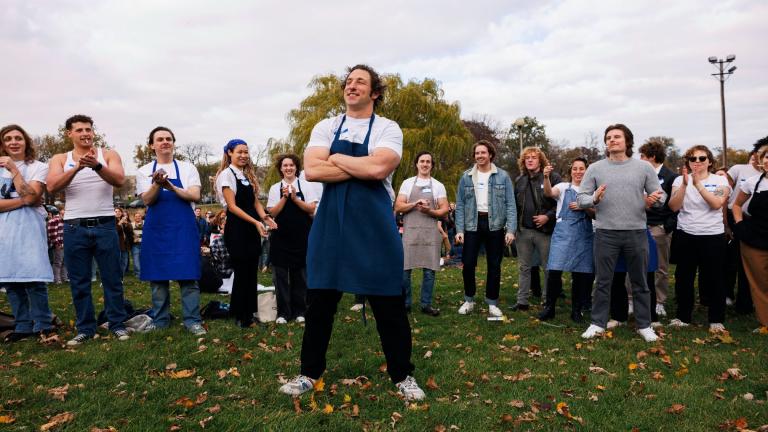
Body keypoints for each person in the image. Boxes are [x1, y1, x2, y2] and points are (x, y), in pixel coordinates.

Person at [279, 64, 425, 401]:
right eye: (348, 81)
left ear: (375, 92)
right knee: (319, 303)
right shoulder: (326, 126)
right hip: (330, 224)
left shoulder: (388, 128)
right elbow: (312, 171)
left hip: (374, 226)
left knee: (389, 303)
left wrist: (335, 158)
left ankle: (403, 375)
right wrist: (360, 165)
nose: (352, 85)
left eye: (360, 81)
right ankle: (309, 373)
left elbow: (378, 169)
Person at [46, 114, 131, 346]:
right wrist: (77, 167)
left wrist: (96, 165)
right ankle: (85, 328)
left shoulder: (108, 154)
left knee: (112, 279)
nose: (85, 133)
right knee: (79, 281)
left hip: (105, 224)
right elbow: (52, 186)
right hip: (74, 227)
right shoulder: (60, 158)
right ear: (69, 134)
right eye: (80, 130)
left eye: (88, 129)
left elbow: (119, 180)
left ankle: (117, 324)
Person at [577, 124, 665, 342]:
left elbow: (660, 196)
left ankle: (644, 325)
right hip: (606, 233)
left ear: (628, 141)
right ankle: (597, 323)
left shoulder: (643, 168)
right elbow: (581, 198)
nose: (612, 140)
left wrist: (654, 199)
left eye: (617, 136)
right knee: (603, 282)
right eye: (608, 137)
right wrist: (594, 198)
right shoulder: (595, 168)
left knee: (640, 282)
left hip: (636, 232)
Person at [137, 126, 206, 336]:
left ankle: (192, 320)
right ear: (152, 145)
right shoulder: (143, 170)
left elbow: (194, 195)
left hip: (183, 229)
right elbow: (147, 200)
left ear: (173, 143)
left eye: (168, 138)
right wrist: (157, 184)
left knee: (188, 275)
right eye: (160, 139)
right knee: (158, 277)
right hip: (157, 230)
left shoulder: (188, 168)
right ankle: (160, 320)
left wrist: (171, 186)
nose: (165, 142)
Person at [0, 124, 55, 342]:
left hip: (29, 228)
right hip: (4, 231)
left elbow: (33, 196)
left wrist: (14, 170)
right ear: (2, 144)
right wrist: (25, 200)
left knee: (34, 278)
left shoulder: (38, 167)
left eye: (18, 138)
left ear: (26, 142)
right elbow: (29, 198)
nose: (13, 142)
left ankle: (43, 323)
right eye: (8, 139)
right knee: (11, 279)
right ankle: (22, 324)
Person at [667, 145, 730, 331]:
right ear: (688, 162)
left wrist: (698, 184)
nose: (697, 162)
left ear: (709, 161)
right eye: (693, 159)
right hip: (686, 234)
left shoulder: (720, 180)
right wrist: (685, 185)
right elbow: (673, 206)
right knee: (683, 277)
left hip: (712, 235)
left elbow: (717, 204)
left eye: (702, 158)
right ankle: (683, 316)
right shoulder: (679, 180)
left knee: (715, 277)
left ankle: (716, 319)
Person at [215, 138, 276, 328]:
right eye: (239, 152)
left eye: (246, 152)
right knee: (242, 272)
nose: (243, 155)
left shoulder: (245, 175)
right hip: (237, 228)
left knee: (251, 271)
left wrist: (265, 217)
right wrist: (256, 222)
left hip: (251, 227)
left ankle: (247, 312)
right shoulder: (226, 175)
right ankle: (243, 317)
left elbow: (254, 202)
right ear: (229, 153)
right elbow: (232, 207)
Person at [455, 140, 517, 317]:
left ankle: (492, 302)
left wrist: (510, 230)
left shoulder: (503, 176)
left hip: (495, 225)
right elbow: (460, 205)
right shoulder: (466, 177)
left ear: (490, 154)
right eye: (477, 153)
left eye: (483, 152)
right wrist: (459, 230)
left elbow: (510, 204)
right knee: (468, 264)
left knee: (494, 265)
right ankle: (469, 300)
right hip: (472, 224)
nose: (480, 156)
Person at [538, 157, 594, 322]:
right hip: (563, 234)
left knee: (580, 273)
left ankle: (576, 310)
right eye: (575, 169)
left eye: (581, 169)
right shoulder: (563, 187)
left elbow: (596, 214)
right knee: (554, 271)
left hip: (584, 235)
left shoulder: (592, 192)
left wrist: (584, 205)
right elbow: (548, 193)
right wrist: (546, 177)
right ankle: (550, 308)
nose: (578, 172)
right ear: (571, 171)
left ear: (587, 171)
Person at [394, 151, 449, 316]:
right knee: (405, 270)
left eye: (428, 162)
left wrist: (429, 211)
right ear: (416, 164)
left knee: (429, 270)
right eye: (422, 161)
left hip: (430, 232)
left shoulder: (438, 185)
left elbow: (444, 209)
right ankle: (405, 304)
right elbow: (398, 206)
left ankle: (426, 304)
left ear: (432, 165)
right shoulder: (407, 183)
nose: (425, 164)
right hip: (410, 232)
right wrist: (415, 203)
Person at [267, 153, 317, 324]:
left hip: (301, 236)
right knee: (280, 276)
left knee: (300, 275)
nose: (288, 168)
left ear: (296, 167)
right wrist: (284, 197)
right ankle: (283, 313)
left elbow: (311, 209)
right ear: (280, 169)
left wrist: (295, 198)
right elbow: (272, 213)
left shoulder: (306, 186)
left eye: (291, 165)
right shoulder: (275, 188)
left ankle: (300, 310)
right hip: (280, 237)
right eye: (285, 165)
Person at [511, 147, 561, 311]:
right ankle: (522, 301)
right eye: (527, 158)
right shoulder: (520, 180)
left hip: (544, 231)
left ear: (541, 161)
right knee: (524, 268)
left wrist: (548, 216)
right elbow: (515, 205)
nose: (530, 160)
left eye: (534, 157)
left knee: (547, 267)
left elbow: (561, 203)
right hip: (524, 231)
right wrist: (513, 228)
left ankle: (547, 301)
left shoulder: (552, 177)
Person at [638, 140, 679, 318]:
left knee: (660, 267)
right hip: (638, 225)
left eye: (642, 156)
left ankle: (659, 301)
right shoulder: (638, 174)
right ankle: (631, 299)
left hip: (659, 227)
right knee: (636, 264)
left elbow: (673, 205)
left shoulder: (670, 176)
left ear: (652, 157)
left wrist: (665, 226)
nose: (639, 159)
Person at [732, 142, 768, 331]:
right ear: (762, 160)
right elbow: (736, 205)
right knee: (759, 283)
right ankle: (766, 322)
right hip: (754, 240)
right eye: (767, 157)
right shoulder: (752, 182)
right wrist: (739, 224)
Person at [725, 147, 762, 313]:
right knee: (733, 259)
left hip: (757, 222)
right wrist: (727, 223)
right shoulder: (738, 169)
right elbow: (724, 193)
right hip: (737, 220)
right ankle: (728, 294)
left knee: (751, 262)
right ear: (754, 154)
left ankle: (748, 301)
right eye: (760, 153)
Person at [47, 206, 67, 284]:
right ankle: (57, 279)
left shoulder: (63, 221)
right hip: (59, 245)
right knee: (58, 262)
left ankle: (63, 278)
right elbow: (52, 234)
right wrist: (57, 243)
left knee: (63, 262)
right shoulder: (55, 220)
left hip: (63, 244)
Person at [114, 207, 133, 277]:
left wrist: (126, 224)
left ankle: (121, 276)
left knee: (124, 262)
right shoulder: (112, 221)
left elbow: (130, 231)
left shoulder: (124, 220)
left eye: (119, 211)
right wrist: (120, 223)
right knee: (117, 262)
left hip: (125, 245)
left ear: (121, 213)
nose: (117, 213)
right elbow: (115, 231)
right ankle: (116, 276)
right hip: (117, 244)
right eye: (116, 211)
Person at [130, 211, 143, 277]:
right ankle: (138, 273)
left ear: (141, 217)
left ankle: (140, 272)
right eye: (136, 216)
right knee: (136, 260)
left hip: (144, 245)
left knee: (143, 259)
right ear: (134, 217)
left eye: (139, 216)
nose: (137, 217)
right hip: (135, 245)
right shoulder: (131, 224)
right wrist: (133, 237)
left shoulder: (145, 223)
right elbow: (129, 233)